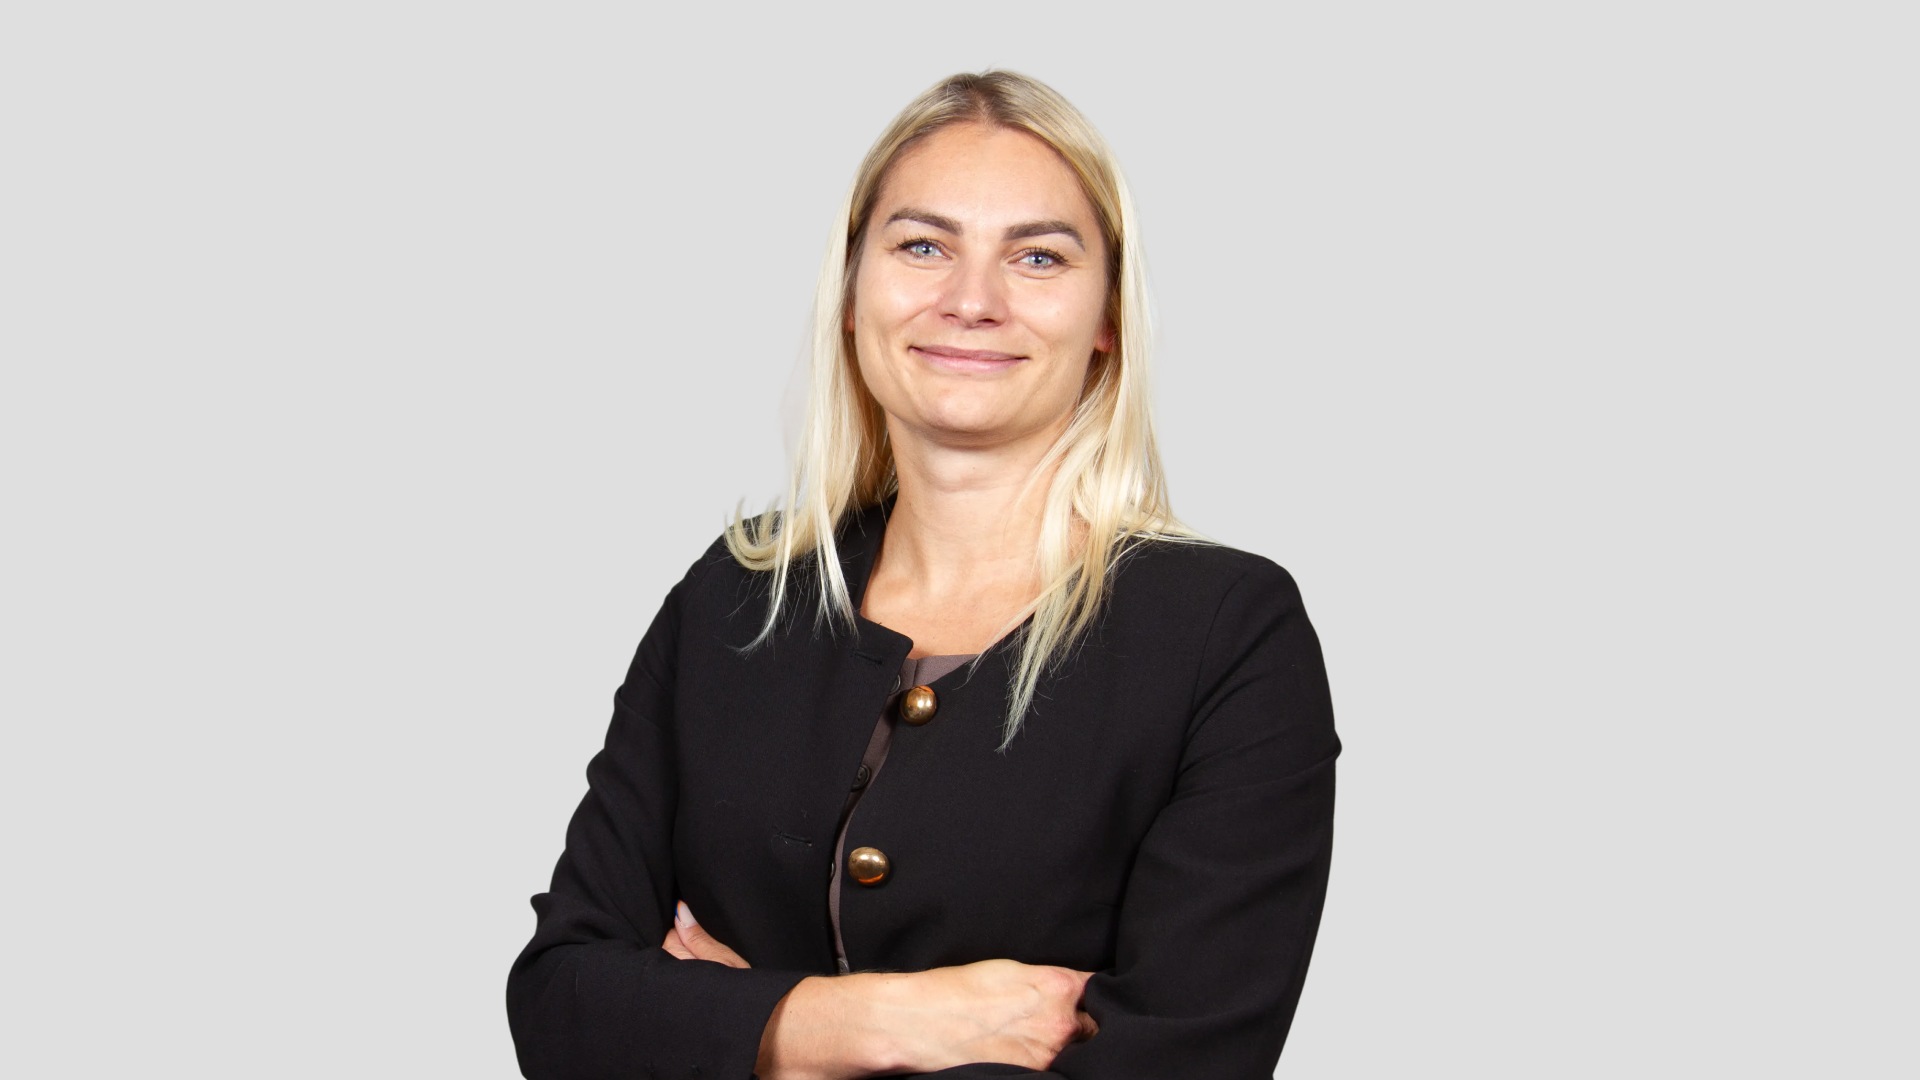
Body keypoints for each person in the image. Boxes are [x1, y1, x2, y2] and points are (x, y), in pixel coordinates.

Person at [506, 70, 1340, 1079]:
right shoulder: (733, 598)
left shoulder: (1227, 636)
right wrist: (882, 1024)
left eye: (1038, 256)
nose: (972, 302)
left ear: (1107, 316)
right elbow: (561, 1005)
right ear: (852, 292)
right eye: (923, 246)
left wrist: (737, 1031)